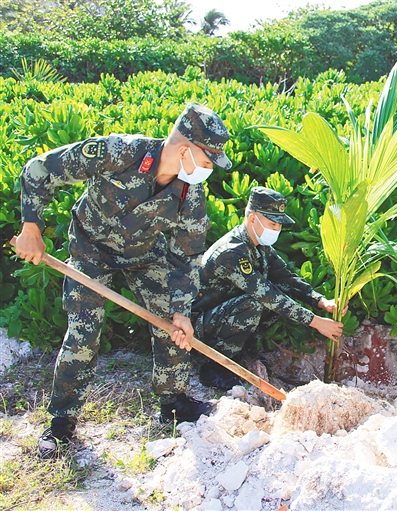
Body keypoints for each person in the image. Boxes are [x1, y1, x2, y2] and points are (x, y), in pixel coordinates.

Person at [15, 102, 232, 459]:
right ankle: (60, 422)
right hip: (91, 249)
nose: (209, 170)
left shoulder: (190, 192)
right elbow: (40, 169)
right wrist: (31, 226)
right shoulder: (119, 152)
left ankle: (174, 402)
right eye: (207, 161)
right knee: (84, 332)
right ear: (184, 150)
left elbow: (187, 254)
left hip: (144, 255)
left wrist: (180, 310)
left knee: (172, 325)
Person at [191, 186, 344, 390]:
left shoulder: (259, 246)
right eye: (272, 224)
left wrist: (320, 301)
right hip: (197, 326)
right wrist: (316, 322)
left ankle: (238, 353)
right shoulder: (231, 252)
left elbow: (285, 277)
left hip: (221, 316)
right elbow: (267, 295)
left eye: (279, 225)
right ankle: (214, 367)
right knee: (258, 303)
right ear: (253, 218)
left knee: (273, 305)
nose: (276, 230)